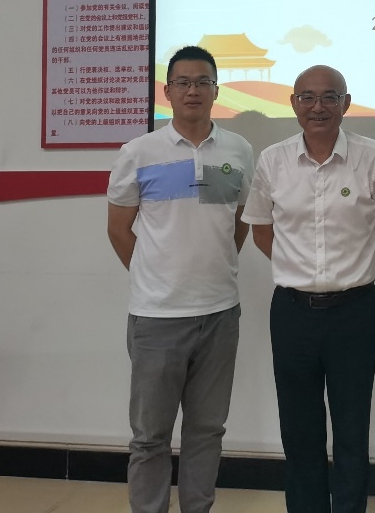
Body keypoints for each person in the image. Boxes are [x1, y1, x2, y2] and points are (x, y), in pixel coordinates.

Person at [242, 64, 375, 513]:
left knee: (352, 428)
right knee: (300, 431)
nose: (318, 107)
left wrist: (358, 272)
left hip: (355, 312)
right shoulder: (273, 160)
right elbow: (261, 230)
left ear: (345, 104)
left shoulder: (373, 157)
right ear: (293, 104)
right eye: (307, 97)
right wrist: (298, 269)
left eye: (329, 97)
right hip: (291, 313)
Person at [107, 45, 255, 513]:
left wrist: (210, 267)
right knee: (150, 436)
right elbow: (119, 229)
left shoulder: (239, 150)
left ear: (216, 90)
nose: (194, 91)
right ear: (167, 92)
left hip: (220, 315)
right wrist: (155, 274)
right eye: (183, 83)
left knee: (207, 431)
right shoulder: (138, 152)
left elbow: (240, 223)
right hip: (156, 318)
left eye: (203, 82)